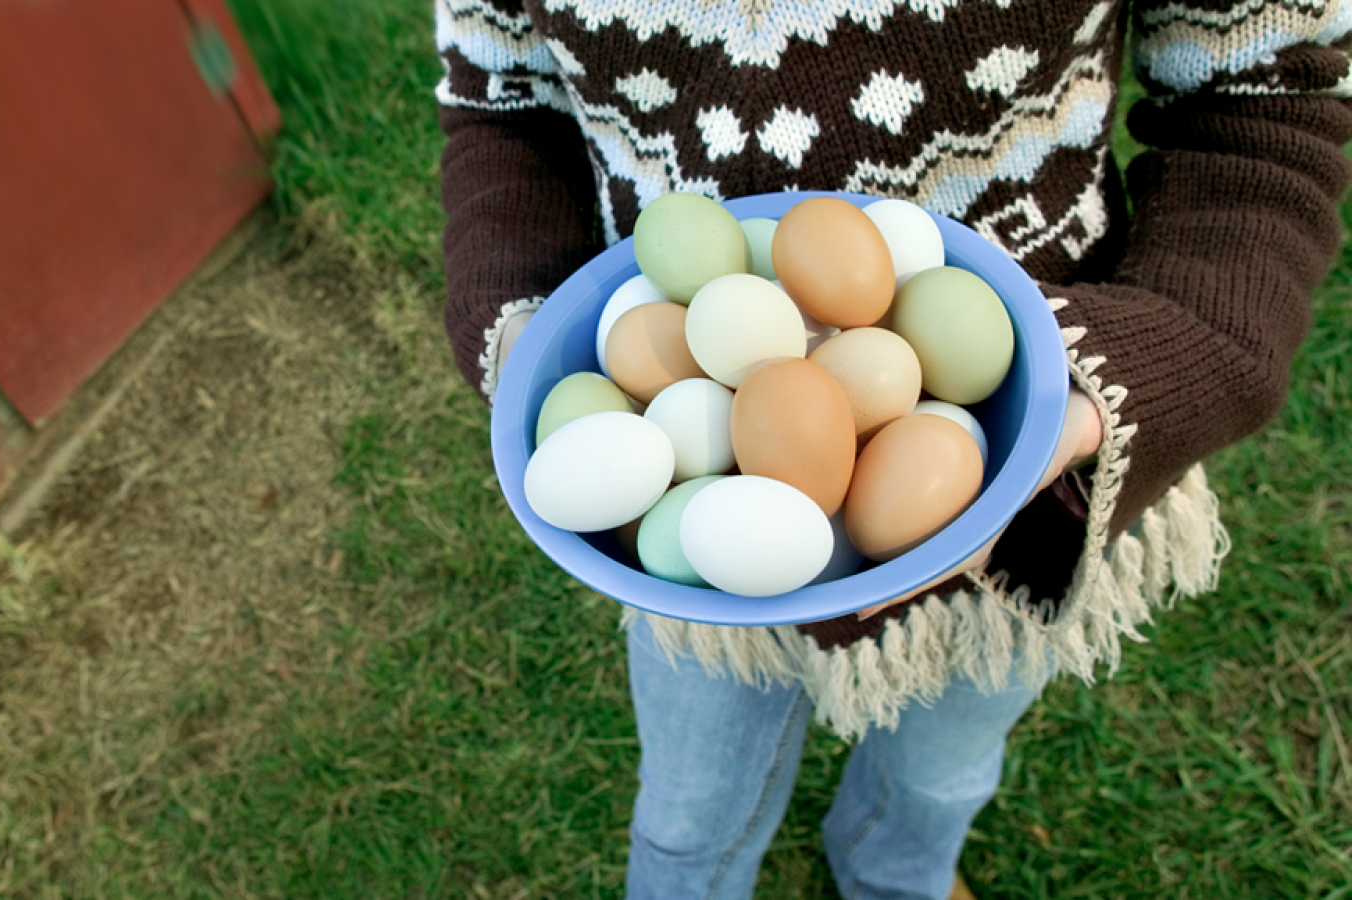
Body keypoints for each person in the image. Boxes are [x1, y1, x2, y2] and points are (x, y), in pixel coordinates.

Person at [433, 1, 1352, 897]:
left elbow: (1262, 103)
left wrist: (1108, 389)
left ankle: (894, 877)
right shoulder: (690, 473)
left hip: (1013, 476)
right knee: (689, 810)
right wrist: (529, 335)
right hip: (684, 500)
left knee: (939, 779)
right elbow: (503, 104)